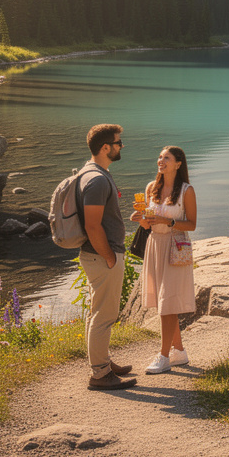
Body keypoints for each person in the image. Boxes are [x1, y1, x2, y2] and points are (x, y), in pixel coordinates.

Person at [79, 123, 137, 390]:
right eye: (118, 142)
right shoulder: (97, 179)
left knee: (99, 312)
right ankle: (100, 374)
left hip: (99, 255)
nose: (121, 146)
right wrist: (110, 257)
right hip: (103, 256)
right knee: (104, 315)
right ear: (105, 148)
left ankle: (103, 361)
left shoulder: (93, 172)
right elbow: (92, 225)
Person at [134, 146, 197, 375]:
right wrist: (141, 219)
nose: (160, 160)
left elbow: (192, 224)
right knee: (165, 302)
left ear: (178, 163)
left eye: (166, 158)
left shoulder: (186, 191)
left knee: (167, 303)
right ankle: (178, 351)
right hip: (154, 244)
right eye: (159, 156)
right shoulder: (151, 188)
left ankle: (163, 356)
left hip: (175, 246)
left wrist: (167, 221)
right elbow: (147, 224)